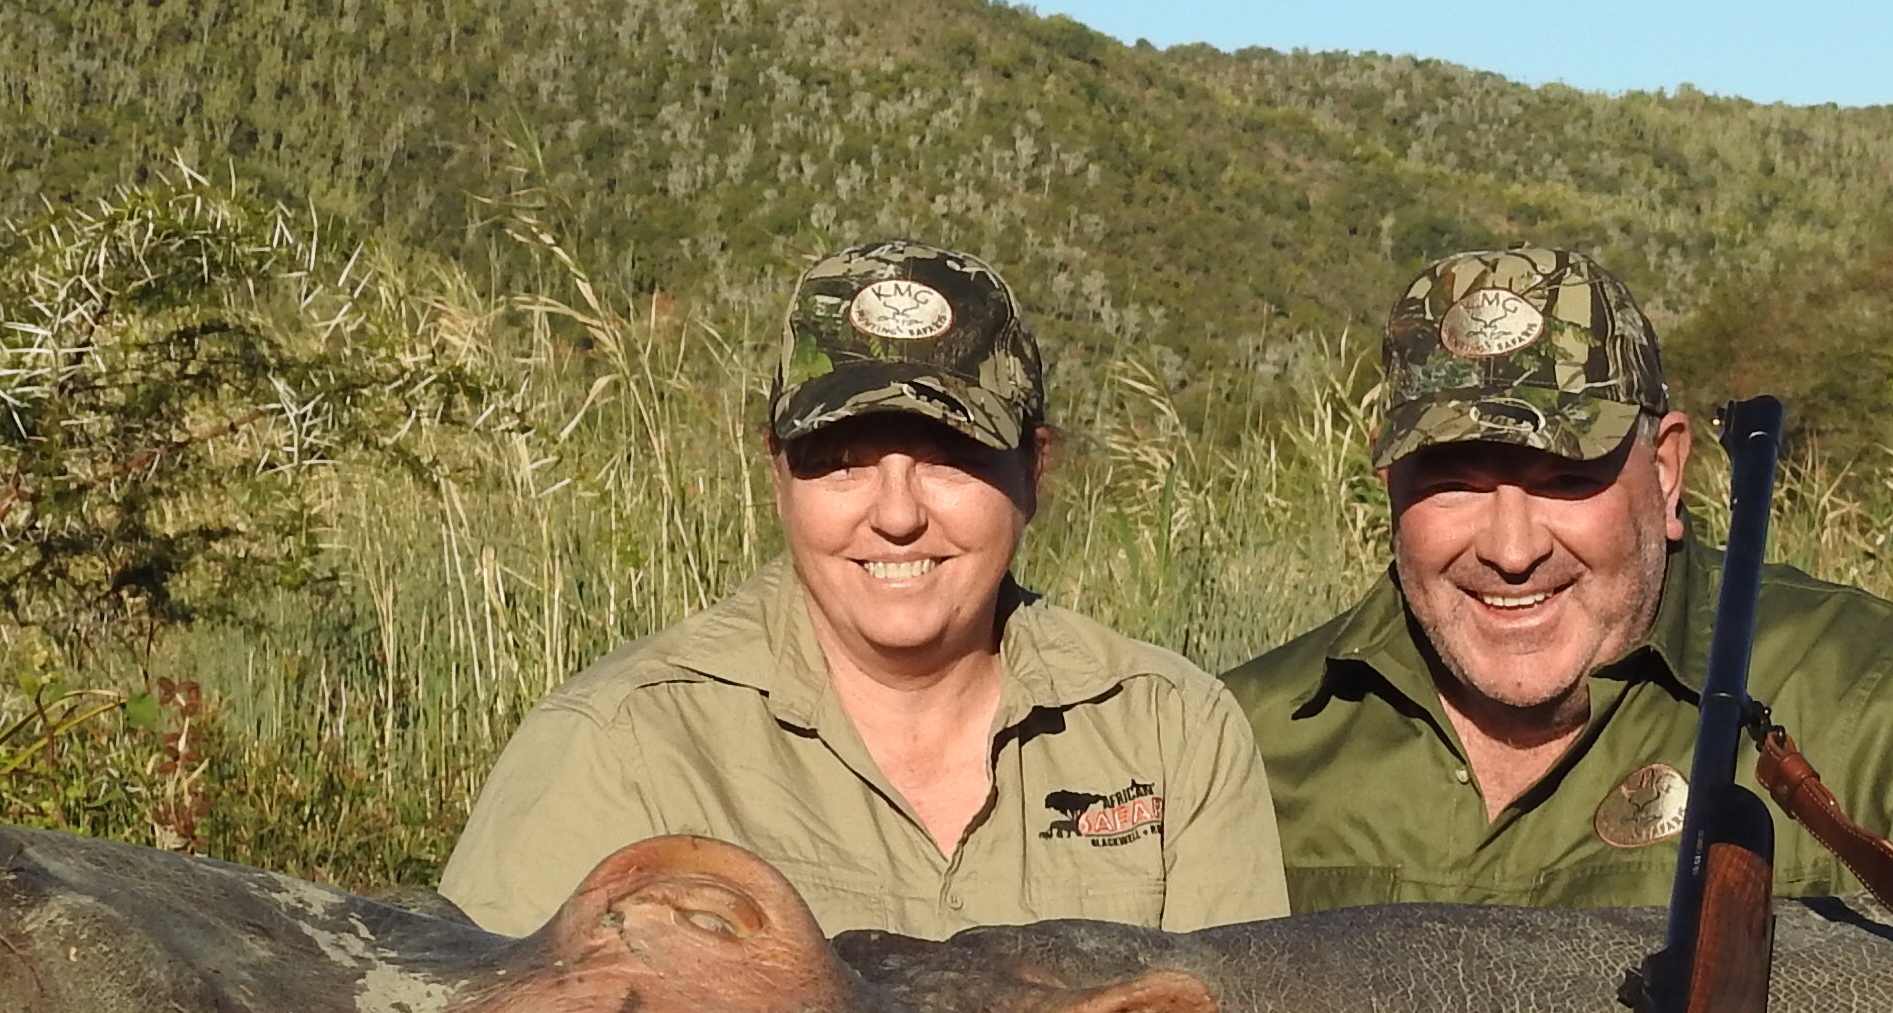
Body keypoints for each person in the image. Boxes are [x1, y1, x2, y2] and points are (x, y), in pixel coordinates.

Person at [439, 241, 1286, 940]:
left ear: (1034, 470)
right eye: (842, 463)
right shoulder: (621, 746)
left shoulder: (1174, 731)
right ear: (777, 473)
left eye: (950, 458)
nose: (895, 515)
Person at [1227, 247, 1893, 912]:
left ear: (1667, 473)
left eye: (1565, 477)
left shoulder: (1868, 691)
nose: (1509, 548)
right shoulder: (1234, 738)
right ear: (1391, 490)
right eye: (1454, 480)